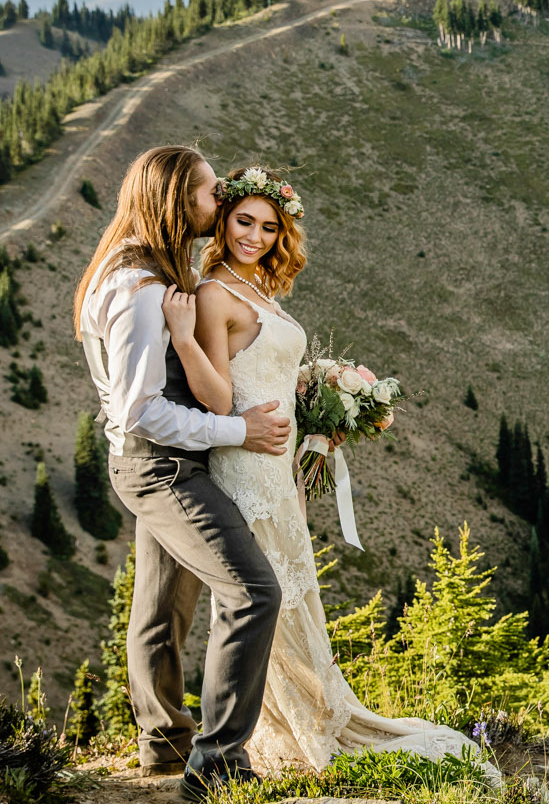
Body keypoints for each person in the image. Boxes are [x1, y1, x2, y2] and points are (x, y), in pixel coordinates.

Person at [165, 164, 488, 773]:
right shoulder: (214, 293)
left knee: (292, 597)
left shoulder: (258, 288)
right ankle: (261, 736)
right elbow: (214, 395)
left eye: (267, 227)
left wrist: (317, 408)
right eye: (243, 222)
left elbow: (272, 370)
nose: (255, 237)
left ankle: (300, 715)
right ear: (224, 221)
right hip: (246, 464)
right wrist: (186, 341)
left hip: (278, 466)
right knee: (264, 601)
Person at [73, 146, 293, 802]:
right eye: (206, 194)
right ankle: (216, 761)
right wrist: (239, 430)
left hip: (146, 459)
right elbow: (145, 408)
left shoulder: (127, 268)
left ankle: (165, 743)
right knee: (254, 592)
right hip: (159, 465)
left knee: (162, 602)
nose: (218, 204)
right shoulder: (142, 289)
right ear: (174, 201)